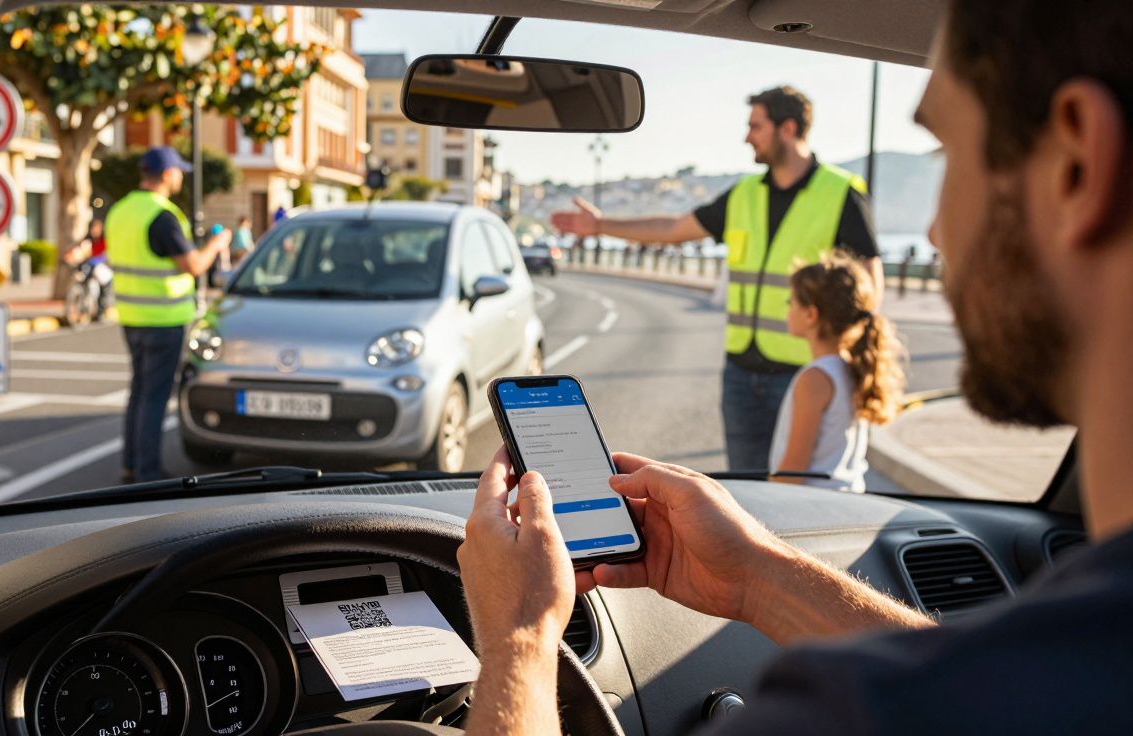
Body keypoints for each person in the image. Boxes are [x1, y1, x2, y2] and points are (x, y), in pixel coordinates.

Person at [458, 0, 1133, 732]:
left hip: (799, 372)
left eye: (946, 151)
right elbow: (988, 693)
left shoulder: (850, 713)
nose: (936, 233)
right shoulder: (1064, 669)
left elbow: (952, 694)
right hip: (742, 371)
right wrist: (756, 572)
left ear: (1077, 162)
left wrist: (519, 634)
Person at [552, 87, 883, 472]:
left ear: (788, 129)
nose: (747, 137)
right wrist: (601, 225)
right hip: (741, 373)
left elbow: (869, 285)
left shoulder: (840, 192)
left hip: (804, 373)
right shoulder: (744, 194)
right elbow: (674, 229)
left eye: (756, 127)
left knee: (797, 487)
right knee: (745, 487)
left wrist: (853, 364)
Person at [105, 146, 231, 483]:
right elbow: (193, 265)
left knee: (139, 391)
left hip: (131, 315)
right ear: (166, 174)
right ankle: (147, 471)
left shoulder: (120, 211)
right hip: (163, 319)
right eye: (178, 172)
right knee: (155, 397)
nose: (181, 178)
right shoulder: (161, 215)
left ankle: (131, 463)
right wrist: (217, 245)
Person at [770, 256, 904, 491]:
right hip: (845, 500)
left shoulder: (815, 379)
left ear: (810, 315)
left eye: (791, 302)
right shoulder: (851, 366)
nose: (788, 310)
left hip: (811, 506)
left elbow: (791, 473)